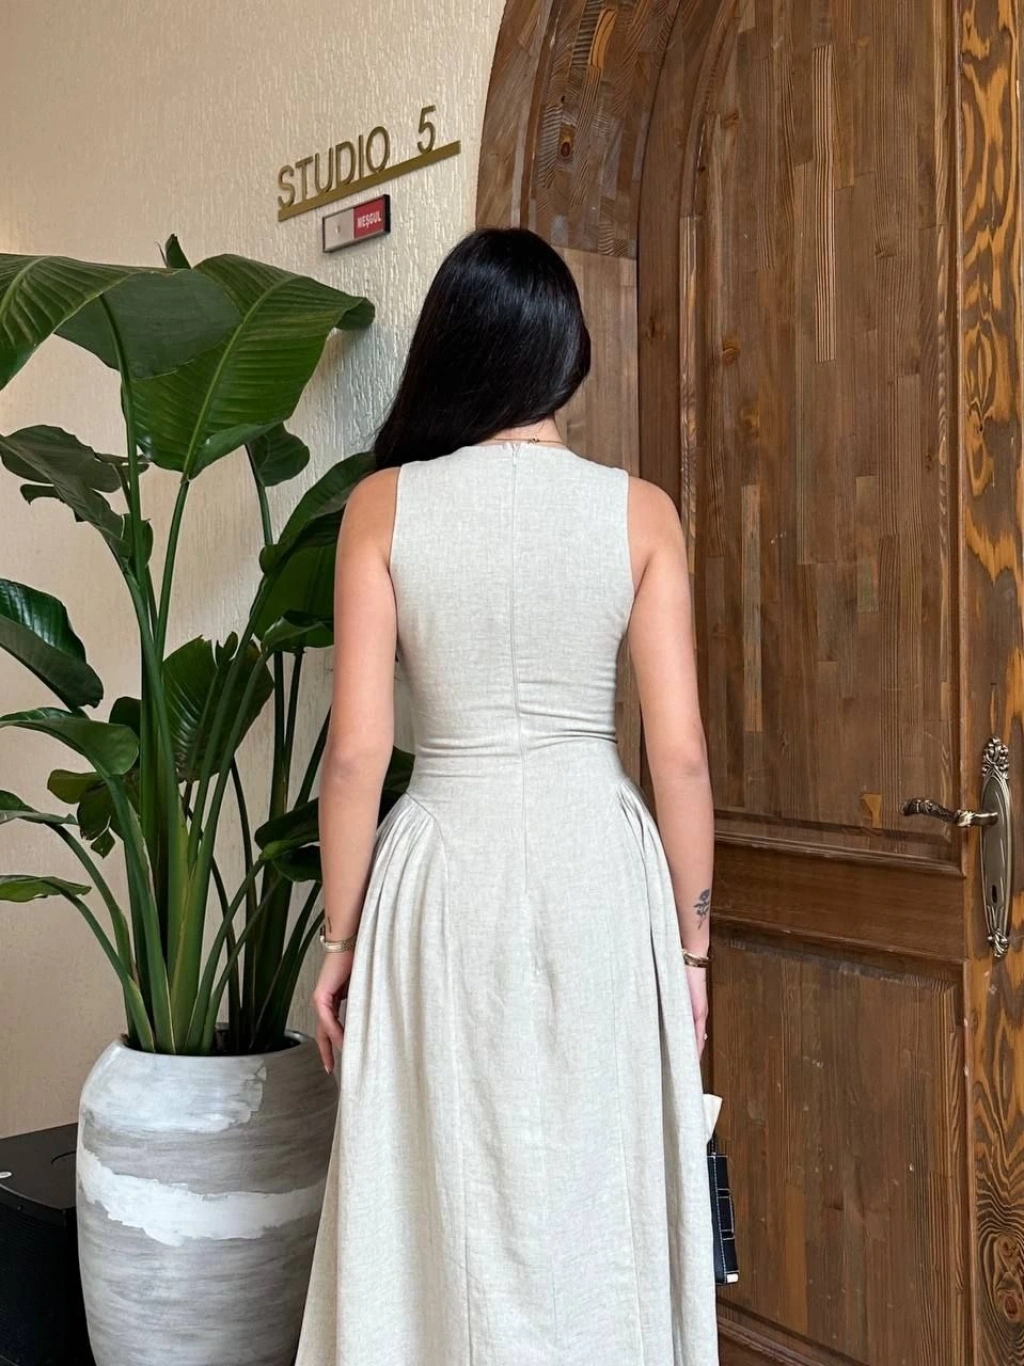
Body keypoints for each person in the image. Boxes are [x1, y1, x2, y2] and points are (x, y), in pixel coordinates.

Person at [294, 226, 718, 1365]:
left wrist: (341, 942)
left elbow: (356, 756)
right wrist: (691, 952)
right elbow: (679, 756)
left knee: (444, 1179)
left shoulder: (383, 508)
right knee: (595, 1174)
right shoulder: (642, 513)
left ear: (454, 350)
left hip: (445, 869)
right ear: (566, 353)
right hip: (597, 866)